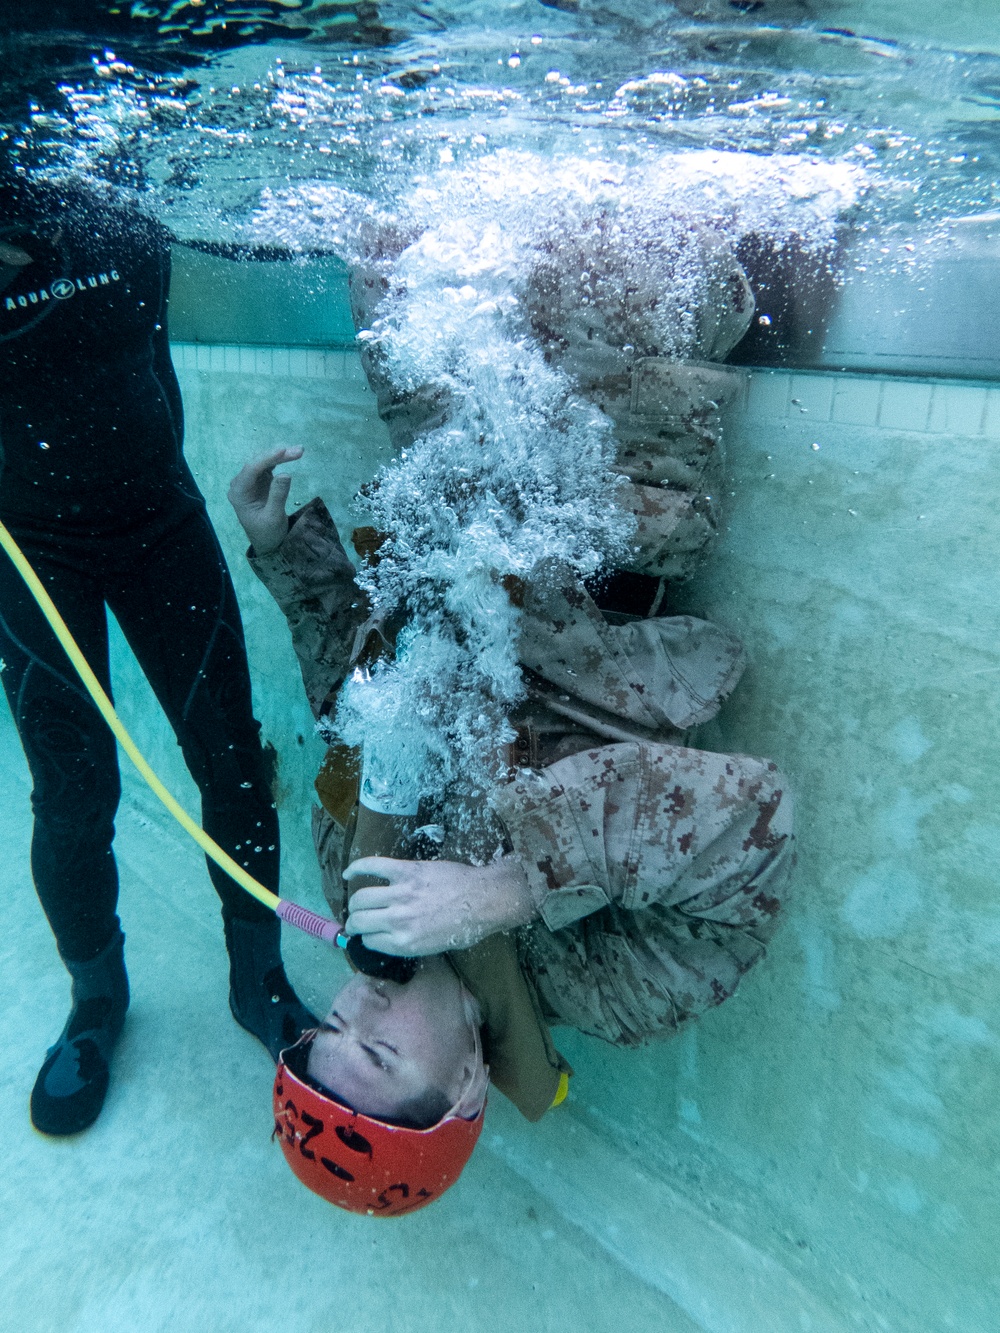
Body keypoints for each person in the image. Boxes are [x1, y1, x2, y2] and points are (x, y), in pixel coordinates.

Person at [229, 431, 794, 1215]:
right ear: (466, 1082)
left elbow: (355, 698)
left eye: (333, 1021)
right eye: (382, 1050)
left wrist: (286, 550)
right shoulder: (617, 993)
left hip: (451, 451)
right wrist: (511, 887)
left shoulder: (360, 889)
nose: (360, 1005)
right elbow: (757, 823)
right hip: (614, 492)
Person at [0, 168, 315, 1137]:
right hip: (31, 550)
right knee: (74, 785)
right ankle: (96, 999)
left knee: (230, 756)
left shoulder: (118, 191)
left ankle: (257, 976)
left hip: (159, 524)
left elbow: (269, 224)